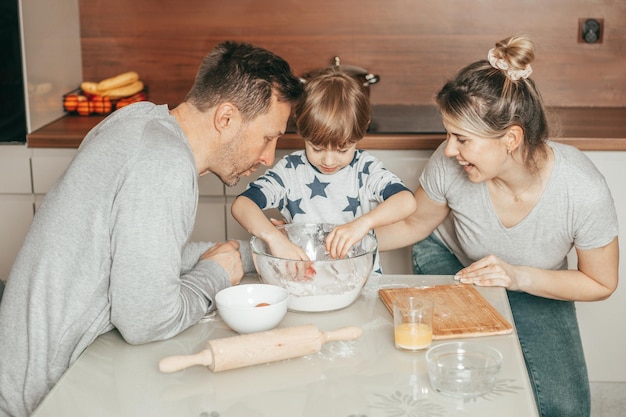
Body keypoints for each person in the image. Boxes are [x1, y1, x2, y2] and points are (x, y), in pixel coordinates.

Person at [0, 41, 303, 417]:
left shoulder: (140, 121)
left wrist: (252, 252)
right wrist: (215, 275)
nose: (268, 158)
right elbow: (147, 320)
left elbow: (137, 259)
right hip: (43, 398)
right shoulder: (164, 166)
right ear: (226, 118)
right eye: (268, 137)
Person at [375, 36, 619, 417]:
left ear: (510, 138)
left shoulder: (582, 189)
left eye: (461, 139)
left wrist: (518, 277)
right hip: (452, 258)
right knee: (462, 386)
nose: (449, 150)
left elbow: (601, 282)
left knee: (565, 408)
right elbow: (415, 221)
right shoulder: (450, 160)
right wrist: (343, 244)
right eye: (448, 135)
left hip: (534, 277)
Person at [231, 67, 416, 273]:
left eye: (343, 149)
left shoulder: (365, 169)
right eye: (316, 148)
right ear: (301, 129)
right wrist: (274, 238)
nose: (328, 160)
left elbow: (406, 202)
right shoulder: (291, 171)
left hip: (362, 283)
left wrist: (363, 224)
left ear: (362, 130)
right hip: (305, 281)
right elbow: (242, 205)